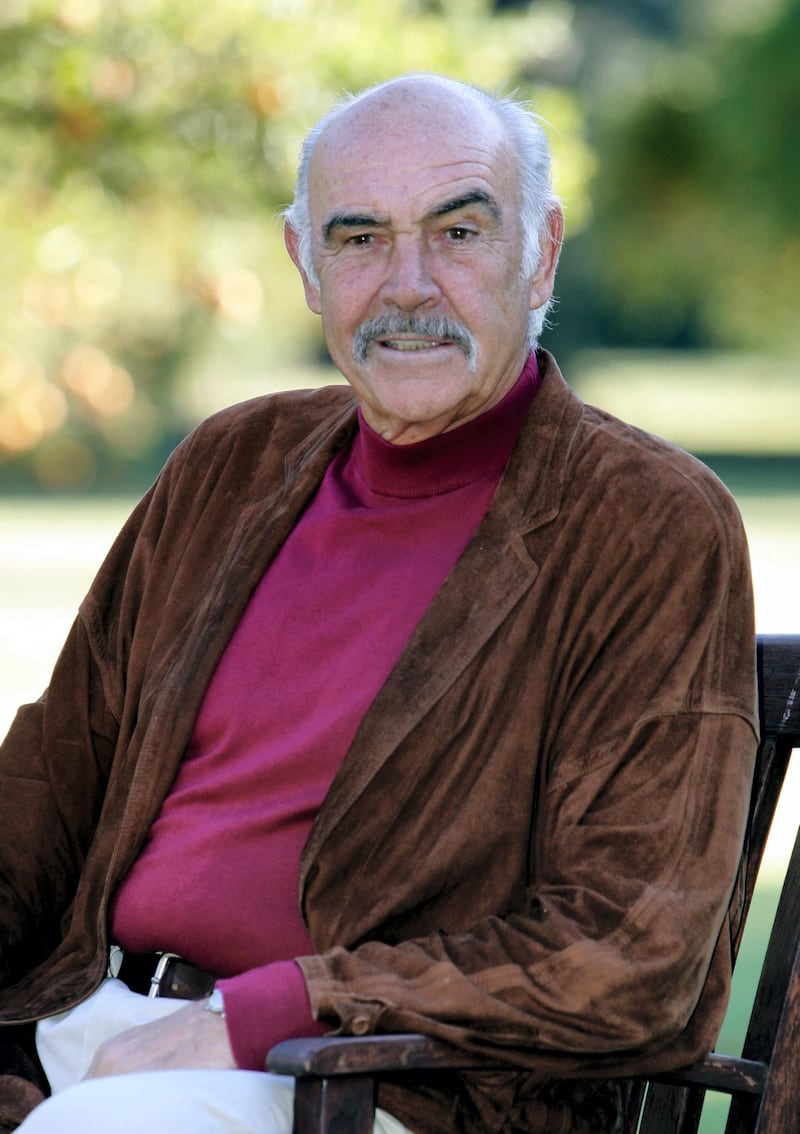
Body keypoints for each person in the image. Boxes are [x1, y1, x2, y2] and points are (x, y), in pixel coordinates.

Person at [0, 72, 758, 1134]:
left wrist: (264, 1013)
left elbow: (629, 950)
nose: (407, 285)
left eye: (456, 231)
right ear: (303, 263)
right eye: (357, 238)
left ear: (537, 250)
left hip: (376, 1084)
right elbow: (46, 787)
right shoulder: (231, 465)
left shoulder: (643, 525)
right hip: (89, 1028)